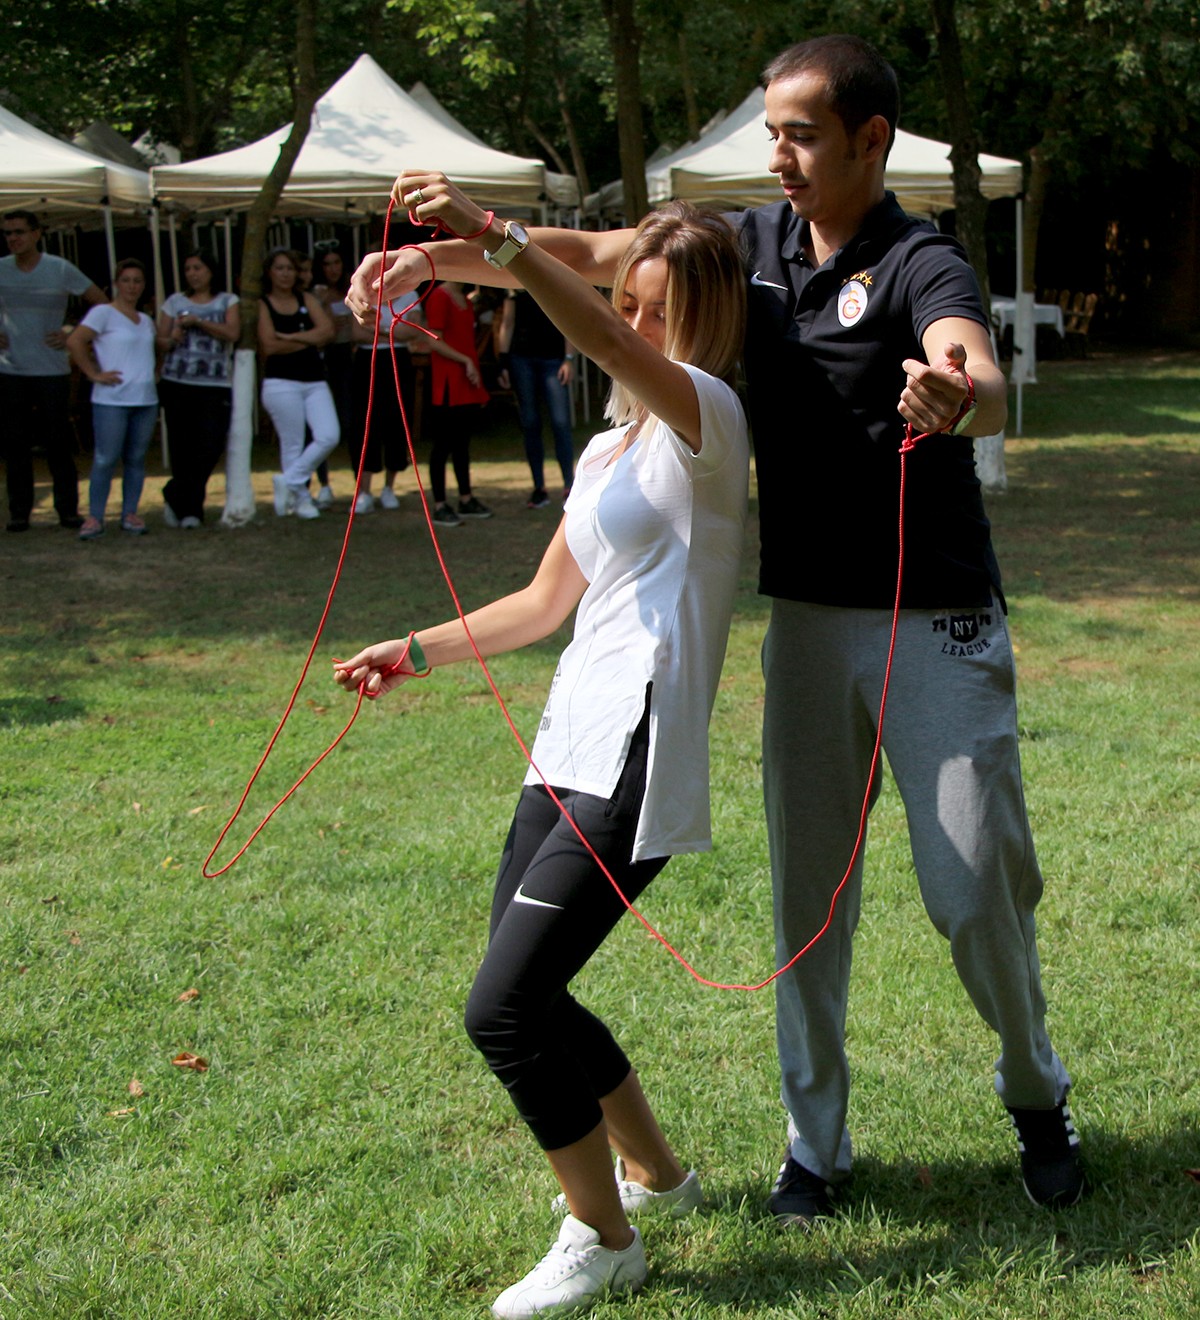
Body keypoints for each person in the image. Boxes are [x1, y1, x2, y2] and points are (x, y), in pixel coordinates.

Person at [346, 32, 1084, 1222]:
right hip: (809, 620)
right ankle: (816, 1148)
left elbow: (974, 365)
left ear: (871, 140)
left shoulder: (920, 260)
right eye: (772, 133)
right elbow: (598, 260)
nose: (778, 156)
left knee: (971, 890)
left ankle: (1035, 1090)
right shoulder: (752, 243)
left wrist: (962, 399)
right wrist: (430, 258)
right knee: (807, 905)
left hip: (935, 620)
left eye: (801, 135)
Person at [336, 181, 748, 1318]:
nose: (637, 323)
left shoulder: (708, 419)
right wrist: (413, 649)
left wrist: (489, 235)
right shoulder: (613, 449)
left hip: (636, 758)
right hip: (567, 744)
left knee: (503, 1009)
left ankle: (602, 1237)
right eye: (633, 302)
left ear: (705, 323)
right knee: (535, 990)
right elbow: (540, 603)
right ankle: (658, 1175)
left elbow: (605, 341)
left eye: (662, 311)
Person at [0, 209, 107, 531]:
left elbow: (101, 303)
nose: (13, 238)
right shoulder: (1, 268)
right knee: (15, 445)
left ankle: (68, 510)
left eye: (19, 232)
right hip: (10, 370)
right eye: (7, 233)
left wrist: (72, 332)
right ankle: (19, 512)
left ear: (36, 234)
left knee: (58, 443)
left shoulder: (59, 268)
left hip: (51, 370)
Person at [68, 258, 159, 538]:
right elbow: (75, 340)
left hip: (144, 399)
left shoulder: (146, 320)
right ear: (117, 283)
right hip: (112, 400)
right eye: (126, 280)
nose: (132, 286)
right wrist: (93, 373)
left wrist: (155, 372)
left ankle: (130, 513)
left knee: (136, 458)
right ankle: (95, 517)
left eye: (137, 281)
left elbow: (153, 350)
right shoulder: (103, 313)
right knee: (106, 458)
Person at [157, 250, 240, 527]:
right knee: (181, 448)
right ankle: (191, 511)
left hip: (215, 385)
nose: (192, 273)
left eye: (198, 268)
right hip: (177, 383)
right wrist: (172, 337)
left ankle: (174, 494)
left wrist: (199, 322)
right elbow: (160, 341)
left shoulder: (228, 300)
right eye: (188, 269)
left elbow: (233, 333)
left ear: (211, 271)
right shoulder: (174, 302)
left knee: (209, 446)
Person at [258, 247, 338, 520]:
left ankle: (288, 480)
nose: (285, 274)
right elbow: (269, 345)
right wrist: (307, 339)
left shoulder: (306, 298)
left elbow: (327, 331)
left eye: (290, 268)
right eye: (279, 268)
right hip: (281, 382)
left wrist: (290, 337)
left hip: (314, 379)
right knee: (292, 443)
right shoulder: (263, 304)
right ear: (270, 272)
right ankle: (301, 499)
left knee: (328, 435)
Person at [496, 290, 577, 507]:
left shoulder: (554, 284)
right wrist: (503, 362)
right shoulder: (514, 289)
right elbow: (507, 323)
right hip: (522, 359)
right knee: (530, 422)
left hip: (553, 359)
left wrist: (569, 358)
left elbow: (568, 321)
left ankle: (570, 485)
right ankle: (538, 487)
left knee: (561, 422)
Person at [423, 279, 492, 528]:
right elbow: (434, 340)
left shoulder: (465, 299)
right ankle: (440, 504)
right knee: (443, 444)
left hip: (465, 379)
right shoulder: (439, 297)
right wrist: (465, 360)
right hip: (447, 382)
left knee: (461, 443)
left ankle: (466, 498)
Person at [347, 291, 419, 511]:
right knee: (365, 423)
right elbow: (357, 333)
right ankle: (364, 491)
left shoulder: (410, 294)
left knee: (397, 422)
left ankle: (389, 487)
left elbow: (412, 331)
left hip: (398, 361)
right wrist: (394, 331)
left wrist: (378, 330)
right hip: (367, 362)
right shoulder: (363, 292)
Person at [312, 240, 355, 506]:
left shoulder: (352, 288)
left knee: (351, 422)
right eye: (327, 264)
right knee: (321, 426)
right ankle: (323, 484)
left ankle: (359, 486)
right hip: (324, 360)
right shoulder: (316, 294)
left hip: (349, 358)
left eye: (336, 262)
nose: (332, 269)